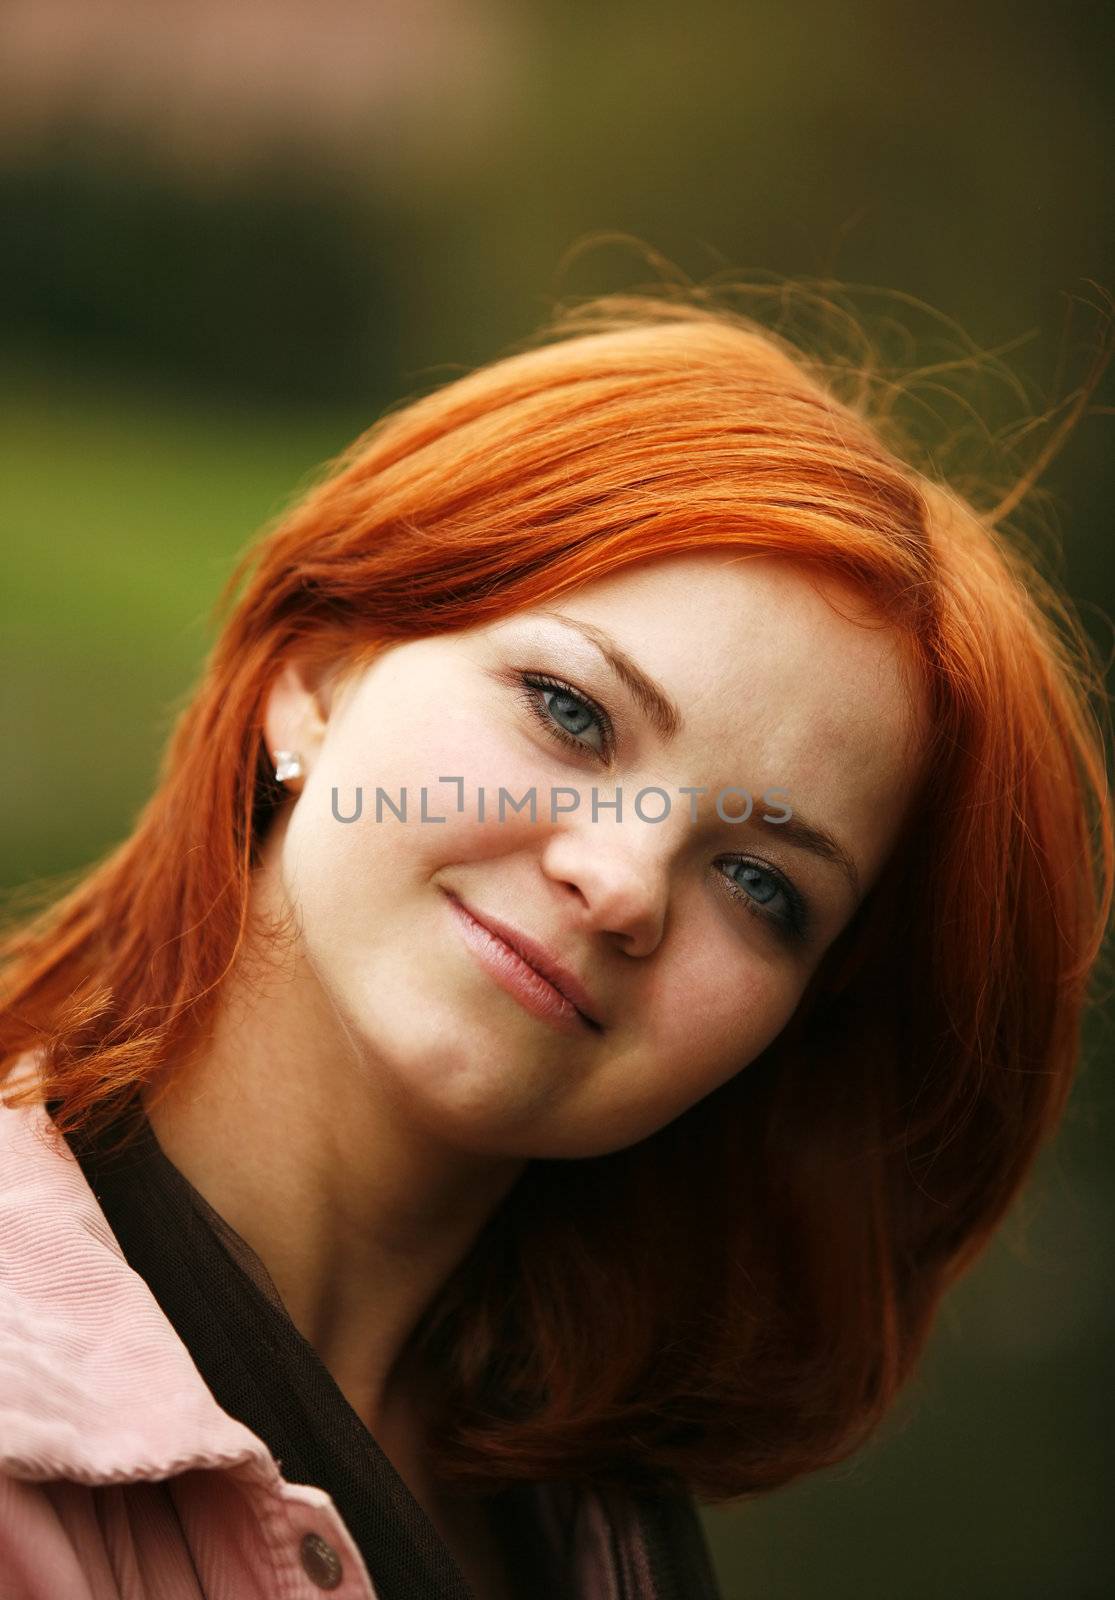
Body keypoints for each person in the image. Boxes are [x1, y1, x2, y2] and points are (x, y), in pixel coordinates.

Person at [0, 289, 1110, 1600]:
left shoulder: (593, 1513)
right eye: (571, 714)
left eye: (760, 880)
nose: (625, 882)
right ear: (316, 670)